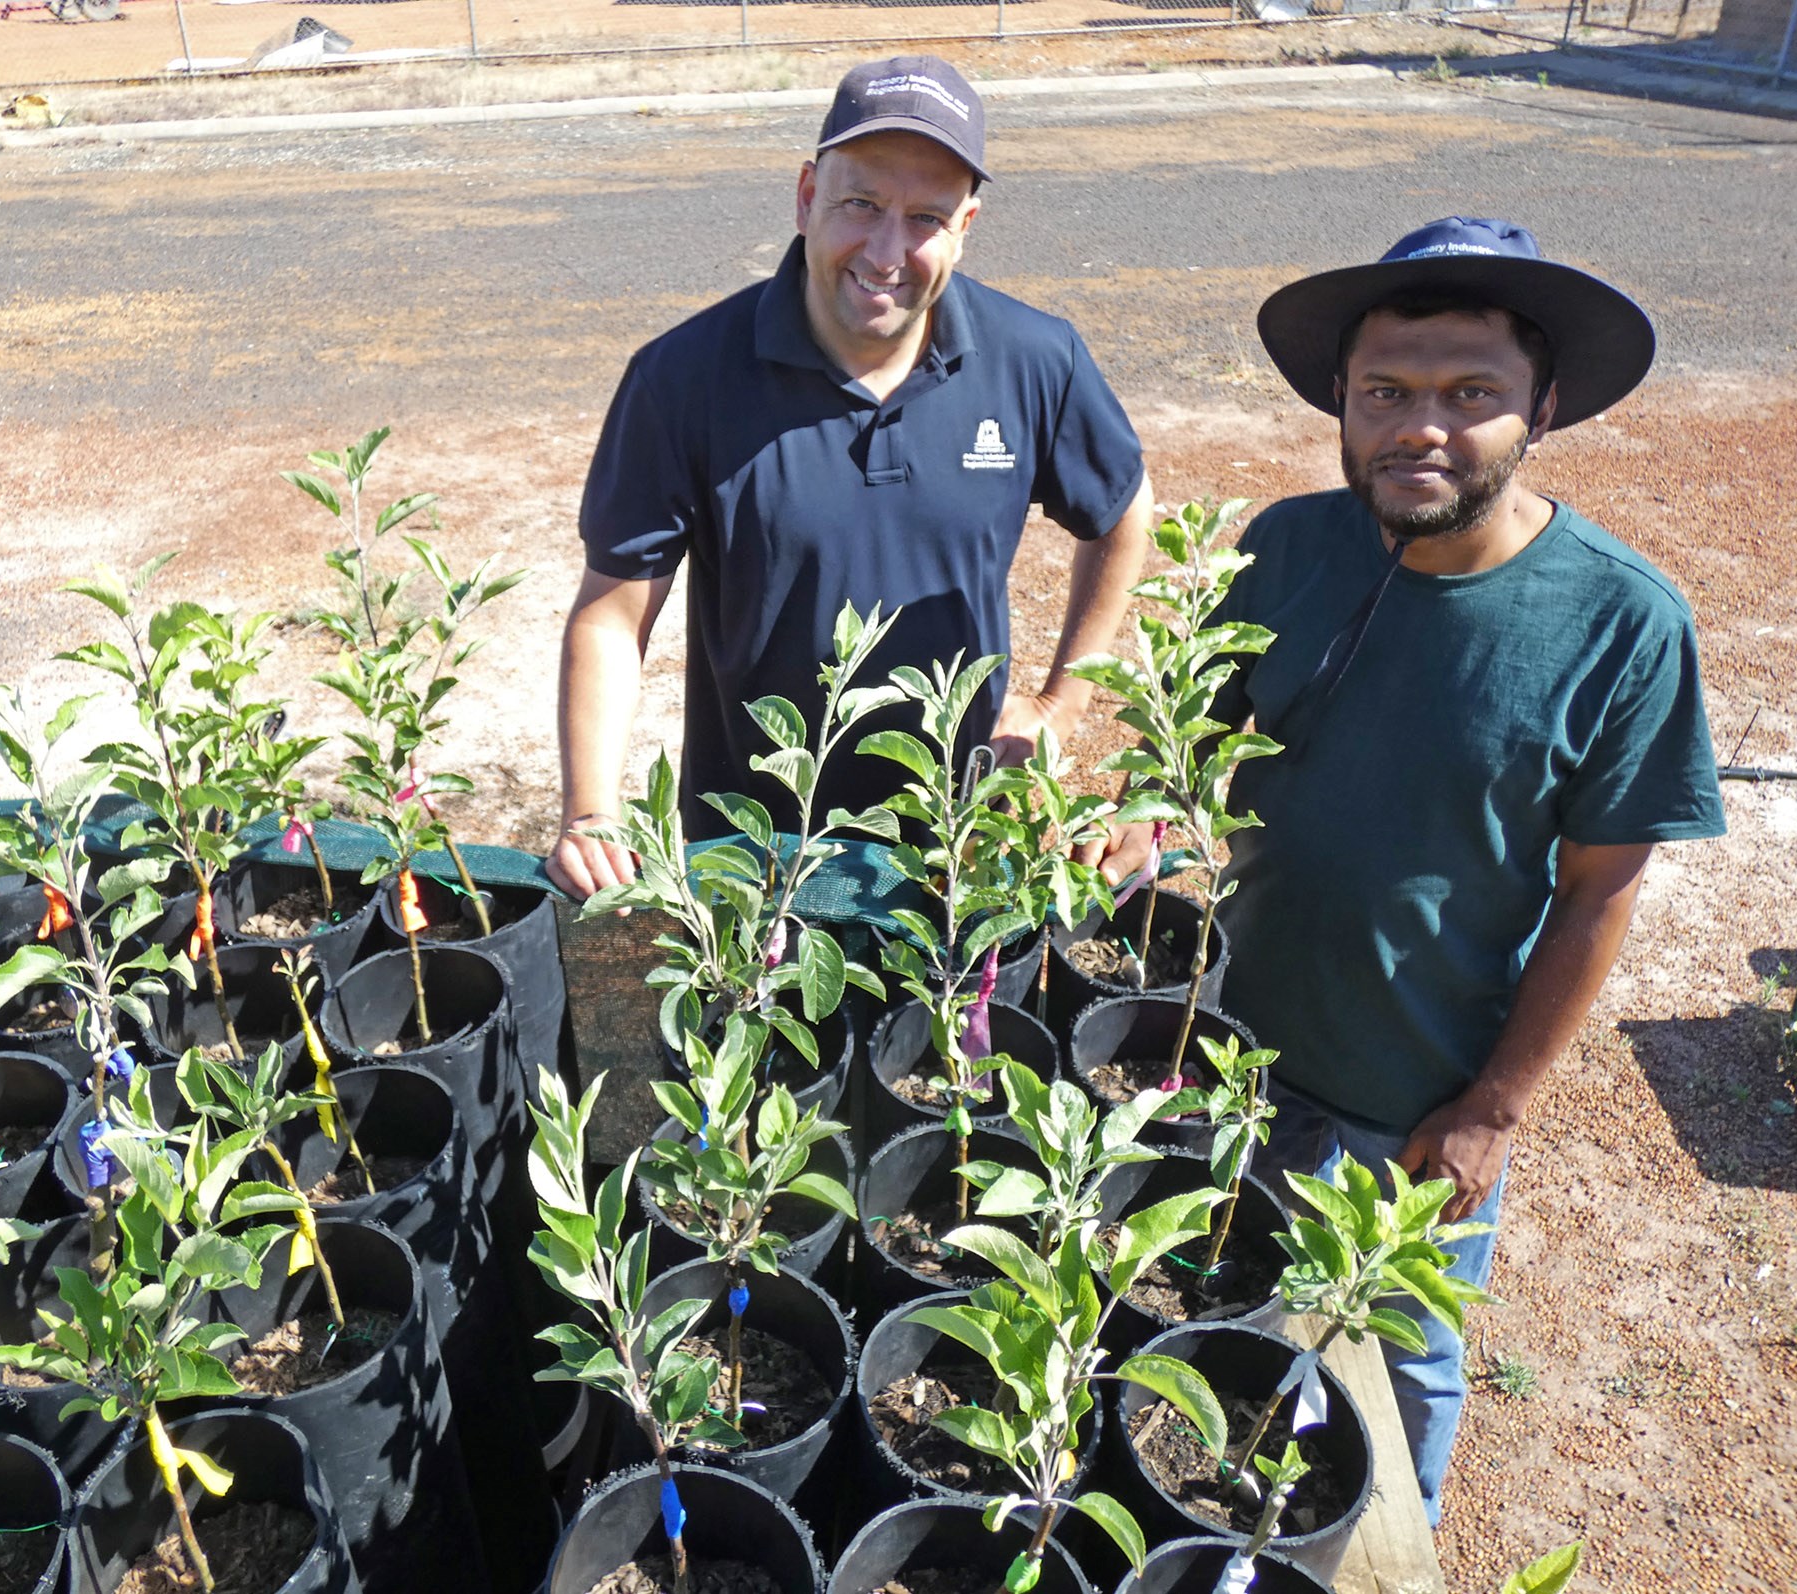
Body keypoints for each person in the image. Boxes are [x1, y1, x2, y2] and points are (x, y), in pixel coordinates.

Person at [1129, 217, 1726, 1524]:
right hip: (1230, 1055)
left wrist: (1492, 1109)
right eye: (1383, 393)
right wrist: (1138, 816)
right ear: (1340, 404)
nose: (1420, 429)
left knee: (1397, 1366)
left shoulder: (1620, 622)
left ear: (1542, 405)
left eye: (1470, 394)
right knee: (1222, 1320)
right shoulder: (1283, 548)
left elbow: (1598, 888)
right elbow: (1196, 750)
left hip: (1412, 1110)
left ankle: (1393, 1546)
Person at [545, 55, 1156, 898]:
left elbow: (1124, 512)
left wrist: (1061, 704)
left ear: (967, 224)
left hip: (962, 846)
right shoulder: (683, 379)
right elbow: (612, 619)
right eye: (860, 203)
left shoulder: (1034, 360)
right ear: (805, 197)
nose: (886, 249)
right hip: (755, 847)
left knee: (953, 1035)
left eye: (925, 217)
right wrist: (591, 810)